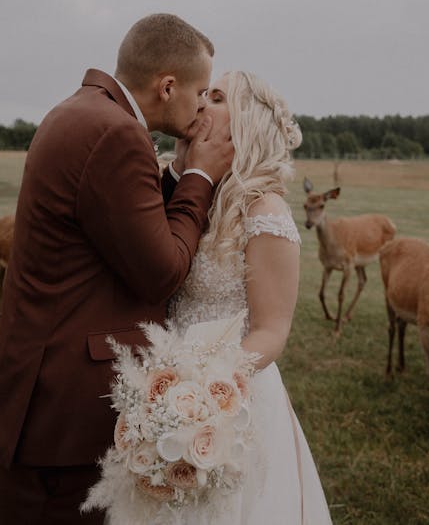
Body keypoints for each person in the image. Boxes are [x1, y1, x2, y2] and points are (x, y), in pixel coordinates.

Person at [0, 13, 233, 525]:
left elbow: (120, 226)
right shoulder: (116, 134)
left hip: (34, 404)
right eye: (200, 91)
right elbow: (161, 271)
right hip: (56, 425)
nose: (202, 105)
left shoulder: (83, 113)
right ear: (168, 85)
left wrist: (174, 175)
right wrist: (201, 174)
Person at [84, 70, 332, 524]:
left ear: (245, 123)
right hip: (155, 392)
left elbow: (272, 331)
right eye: (204, 94)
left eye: (216, 97)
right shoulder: (185, 191)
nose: (201, 104)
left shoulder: (265, 210)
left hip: (225, 399)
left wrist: (203, 392)